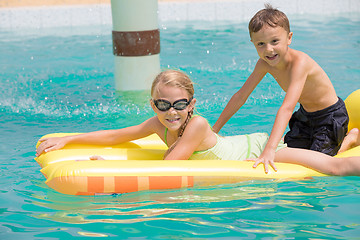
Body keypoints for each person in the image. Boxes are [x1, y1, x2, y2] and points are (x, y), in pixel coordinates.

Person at [36, 70, 360, 176]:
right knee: (329, 162)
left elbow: (168, 165)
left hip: (260, 148)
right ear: (153, 104)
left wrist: (107, 165)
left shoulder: (197, 125)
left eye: (179, 105)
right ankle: (347, 141)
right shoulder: (157, 123)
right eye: (163, 105)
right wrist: (70, 139)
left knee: (333, 168)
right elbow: (117, 135)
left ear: (191, 105)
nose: (171, 112)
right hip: (243, 146)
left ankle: (348, 143)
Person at [212, 4, 349, 172]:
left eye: (274, 41)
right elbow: (241, 96)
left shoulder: (300, 63)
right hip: (305, 117)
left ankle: (350, 139)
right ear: (253, 43)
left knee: (317, 163)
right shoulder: (264, 64)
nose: (268, 50)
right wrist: (214, 130)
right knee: (293, 155)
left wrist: (269, 150)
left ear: (289, 38)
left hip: (329, 116)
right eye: (260, 44)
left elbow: (287, 108)